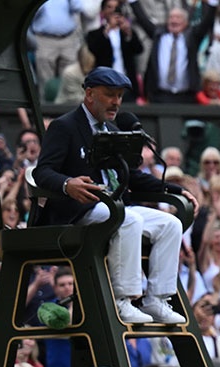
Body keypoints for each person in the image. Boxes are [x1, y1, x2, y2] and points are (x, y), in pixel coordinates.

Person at [33, 67, 194, 326]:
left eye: (119, 96)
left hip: (114, 205)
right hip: (79, 210)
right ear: (89, 94)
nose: (116, 102)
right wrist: (67, 183)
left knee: (170, 224)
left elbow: (131, 175)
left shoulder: (111, 128)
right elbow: (43, 171)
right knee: (128, 220)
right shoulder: (64, 126)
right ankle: (123, 299)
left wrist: (175, 190)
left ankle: (157, 299)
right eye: (109, 94)